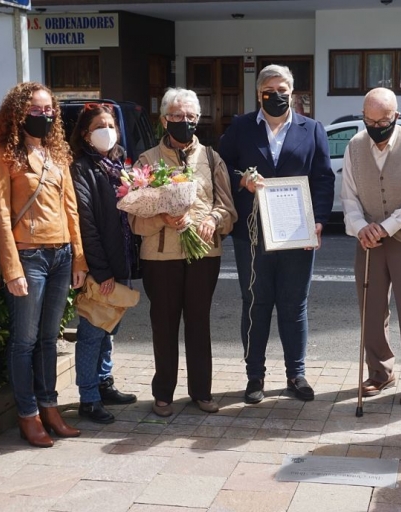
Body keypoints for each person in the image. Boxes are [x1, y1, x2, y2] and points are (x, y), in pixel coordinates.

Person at [218, 64, 334, 404]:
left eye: (283, 90)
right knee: (255, 304)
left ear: (293, 94)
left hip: (298, 233)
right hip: (252, 233)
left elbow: (324, 179)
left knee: (294, 305)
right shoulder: (240, 127)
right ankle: (255, 377)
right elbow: (221, 168)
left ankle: (295, 374)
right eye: (269, 91)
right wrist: (242, 180)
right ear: (258, 94)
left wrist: (320, 221)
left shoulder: (312, 129)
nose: (277, 96)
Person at [0, 82, 87, 448]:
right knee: (24, 341)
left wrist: (78, 257)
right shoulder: (3, 155)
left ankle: (50, 407)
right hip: (28, 257)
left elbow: (70, 208)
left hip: (60, 255)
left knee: (49, 339)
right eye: (36, 110)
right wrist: (11, 268)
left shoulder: (57, 154)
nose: (44, 116)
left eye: (49, 111)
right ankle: (28, 415)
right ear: (17, 114)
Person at [129, 87, 236, 416]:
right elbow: (134, 219)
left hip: (203, 255)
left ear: (198, 120)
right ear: (164, 120)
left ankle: (202, 391)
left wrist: (213, 220)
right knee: (163, 325)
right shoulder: (147, 162)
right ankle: (163, 394)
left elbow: (228, 211)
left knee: (199, 324)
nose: (184, 122)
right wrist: (162, 217)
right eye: (177, 116)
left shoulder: (212, 158)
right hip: (161, 259)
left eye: (190, 117)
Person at [341, 88, 401, 405]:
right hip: (370, 239)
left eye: (382, 120)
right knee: (371, 310)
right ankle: (380, 372)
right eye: (369, 119)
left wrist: (386, 226)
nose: (375, 126)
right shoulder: (354, 146)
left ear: (395, 116)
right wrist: (360, 227)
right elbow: (349, 199)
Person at [70, 103, 139, 424]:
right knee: (92, 332)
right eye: (99, 126)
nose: (107, 131)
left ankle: (104, 382)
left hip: (121, 261)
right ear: (86, 134)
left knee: (109, 328)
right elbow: (86, 224)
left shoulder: (119, 166)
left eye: (111, 125)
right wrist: (101, 272)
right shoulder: (81, 168)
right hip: (102, 269)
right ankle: (88, 396)